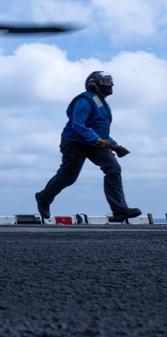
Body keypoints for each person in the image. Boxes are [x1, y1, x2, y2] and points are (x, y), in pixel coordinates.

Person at [35, 71, 140, 223]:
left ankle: (119, 209)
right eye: (106, 82)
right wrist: (98, 141)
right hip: (74, 142)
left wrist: (114, 145)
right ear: (93, 85)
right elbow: (78, 125)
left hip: (93, 142)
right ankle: (43, 197)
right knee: (68, 177)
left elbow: (100, 130)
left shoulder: (102, 104)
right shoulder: (84, 101)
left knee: (113, 168)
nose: (109, 85)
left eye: (110, 82)